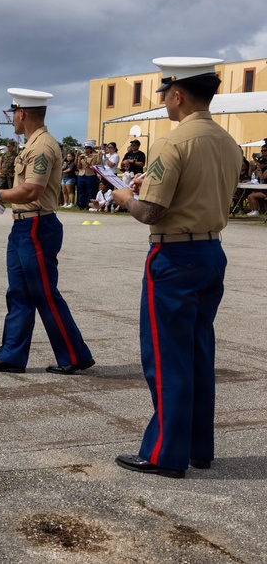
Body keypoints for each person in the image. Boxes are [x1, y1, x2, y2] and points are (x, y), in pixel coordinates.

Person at [110, 57, 242, 479]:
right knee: (200, 350)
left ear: (178, 94)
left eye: (166, 93)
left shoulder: (173, 142)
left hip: (174, 254)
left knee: (167, 356)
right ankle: (199, 447)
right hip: (211, 251)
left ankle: (165, 453)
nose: (164, 101)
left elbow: (150, 212)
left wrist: (123, 198)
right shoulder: (227, 142)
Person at [0, 88, 94, 375]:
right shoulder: (32, 144)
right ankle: (12, 355)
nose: (12, 118)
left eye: (12, 113)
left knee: (43, 293)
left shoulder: (41, 146)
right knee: (18, 293)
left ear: (22, 113)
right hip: (23, 225)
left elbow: (32, 189)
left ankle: (74, 355)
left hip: (37, 226)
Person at [75, 140, 100, 209]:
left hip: (89, 174)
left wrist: (85, 161)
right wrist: (79, 159)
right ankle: (81, 205)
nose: (85, 150)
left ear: (90, 149)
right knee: (80, 191)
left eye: (87, 148)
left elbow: (92, 166)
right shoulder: (81, 156)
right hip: (81, 174)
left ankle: (88, 205)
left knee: (89, 191)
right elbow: (78, 166)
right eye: (85, 148)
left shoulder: (93, 156)